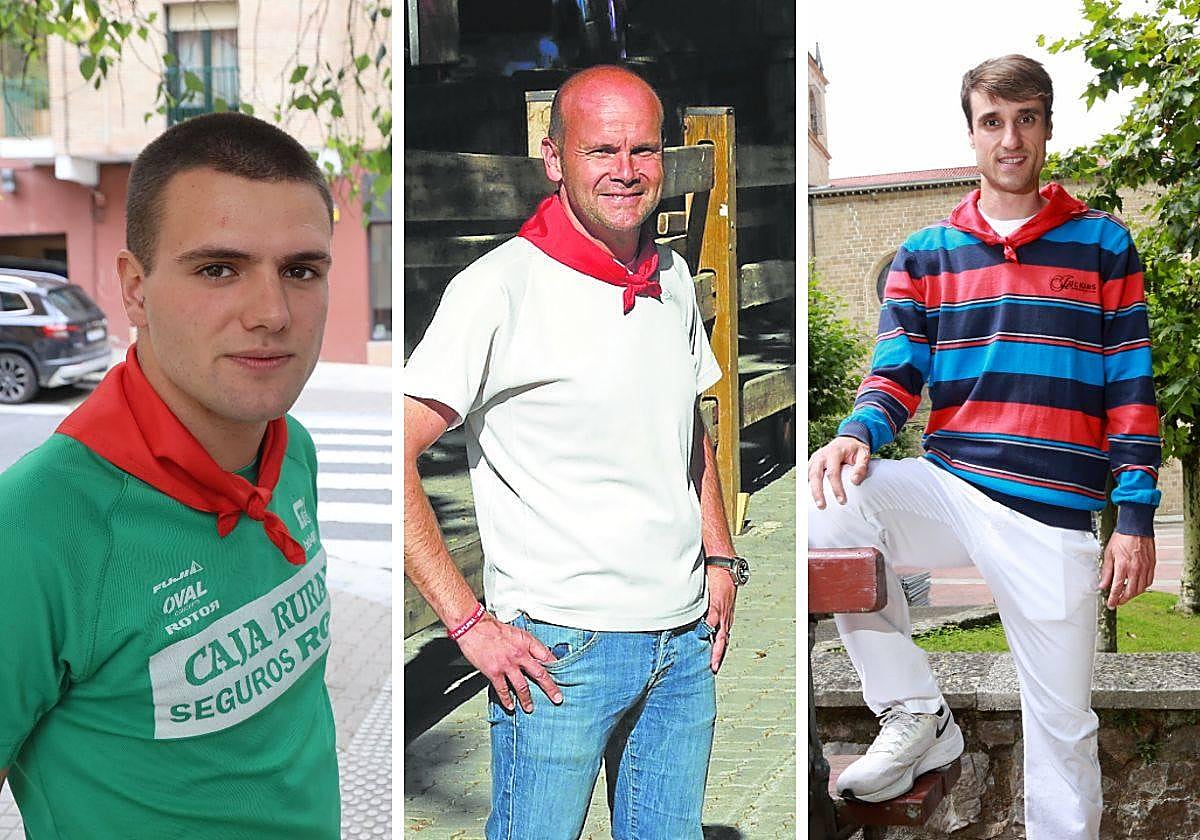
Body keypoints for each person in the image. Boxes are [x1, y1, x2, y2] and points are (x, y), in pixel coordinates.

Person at [808, 54, 1160, 840]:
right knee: (826, 496)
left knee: (1062, 731)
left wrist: (1134, 518)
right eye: (993, 122)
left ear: (1046, 128)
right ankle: (916, 713)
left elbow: (1131, 389)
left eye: (1026, 119)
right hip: (953, 485)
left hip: (1052, 515)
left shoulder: (1102, 244)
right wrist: (856, 432)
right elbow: (895, 373)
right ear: (971, 133)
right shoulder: (927, 252)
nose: (1010, 139)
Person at [404, 64, 747, 839]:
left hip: (683, 646)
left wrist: (721, 556)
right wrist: (467, 624)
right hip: (560, 652)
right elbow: (393, 455)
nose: (626, 170)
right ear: (554, 158)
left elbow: (687, 423)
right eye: (601, 150)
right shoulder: (498, 290)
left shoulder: (672, 276)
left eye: (643, 149)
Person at [0, 113, 339, 838]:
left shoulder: (291, 450)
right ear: (134, 290)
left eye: (301, 270)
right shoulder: (36, 525)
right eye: (218, 269)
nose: (273, 313)